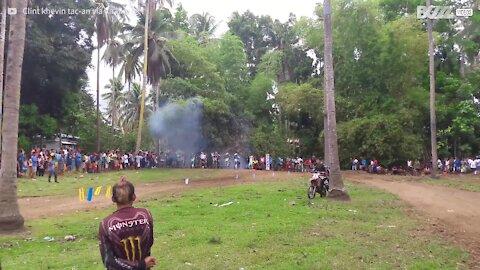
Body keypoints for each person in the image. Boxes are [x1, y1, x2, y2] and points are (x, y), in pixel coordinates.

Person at [98, 177, 155, 270]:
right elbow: (149, 243)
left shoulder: (105, 224)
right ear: (134, 197)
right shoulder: (146, 215)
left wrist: (139, 265)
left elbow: (108, 260)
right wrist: (141, 265)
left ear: (113, 199)